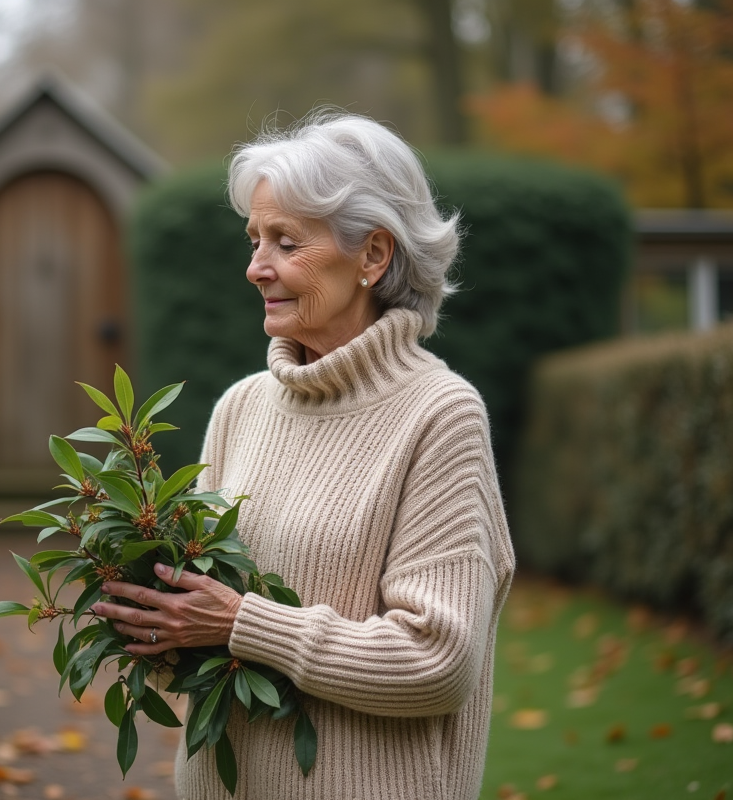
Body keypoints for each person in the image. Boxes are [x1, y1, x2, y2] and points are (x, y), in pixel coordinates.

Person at [91, 111, 515, 800]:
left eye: (285, 242)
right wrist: (151, 621)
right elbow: (208, 642)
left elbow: (437, 661)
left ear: (373, 256)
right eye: (255, 239)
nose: (256, 267)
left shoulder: (440, 416)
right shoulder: (242, 408)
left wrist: (242, 622)